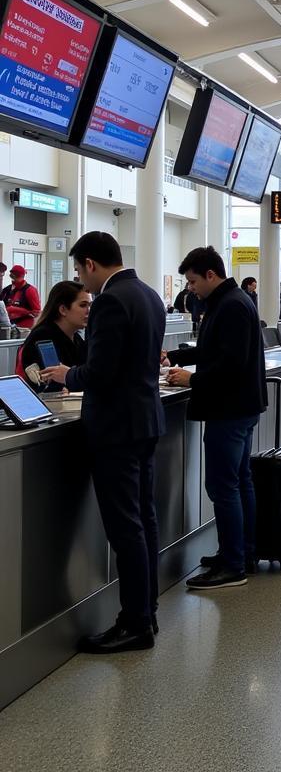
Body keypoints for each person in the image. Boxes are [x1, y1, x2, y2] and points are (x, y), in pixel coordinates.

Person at [40, 232, 165, 654]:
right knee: (143, 520)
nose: (82, 281)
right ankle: (146, 610)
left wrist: (67, 375)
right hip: (145, 423)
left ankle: (133, 623)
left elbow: (101, 373)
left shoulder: (112, 300)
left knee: (125, 527)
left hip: (116, 429)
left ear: (91, 264)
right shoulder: (148, 294)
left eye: (79, 270)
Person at [164, 247, 266, 589]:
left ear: (211, 275)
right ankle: (240, 551)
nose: (190, 288)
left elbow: (231, 363)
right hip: (239, 406)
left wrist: (192, 378)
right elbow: (215, 349)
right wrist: (176, 356)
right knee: (239, 482)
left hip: (230, 408)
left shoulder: (232, 305)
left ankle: (233, 565)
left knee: (223, 486)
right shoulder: (230, 301)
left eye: (193, 281)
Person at [17, 280, 89, 389]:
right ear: (63, 310)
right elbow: (52, 385)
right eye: (83, 305)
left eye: (90, 305)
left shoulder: (76, 338)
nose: (89, 311)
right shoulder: (43, 338)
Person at [2, 264, 41, 329]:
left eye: (16, 277)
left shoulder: (30, 290)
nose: (14, 279)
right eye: (12, 277)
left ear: (22, 276)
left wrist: (15, 309)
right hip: (9, 324)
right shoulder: (7, 290)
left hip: (24, 325)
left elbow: (36, 312)